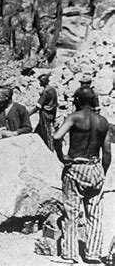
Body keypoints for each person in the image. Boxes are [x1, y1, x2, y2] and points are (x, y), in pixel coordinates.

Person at [53, 87, 111, 264]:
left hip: (77, 166)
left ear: (77, 100)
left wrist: (62, 156)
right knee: (94, 214)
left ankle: (70, 254)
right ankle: (93, 253)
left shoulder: (74, 117)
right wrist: (103, 172)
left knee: (71, 212)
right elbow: (107, 151)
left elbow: (57, 136)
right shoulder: (103, 121)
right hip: (95, 168)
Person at [29, 74, 58, 150]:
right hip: (52, 114)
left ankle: (50, 151)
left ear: (43, 81)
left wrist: (28, 114)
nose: (39, 83)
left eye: (40, 81)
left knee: (47, 133)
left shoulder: (46, 91)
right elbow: (55, 104)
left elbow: (38, 106)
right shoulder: (53, 90)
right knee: (38, 132)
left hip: (45, 114)